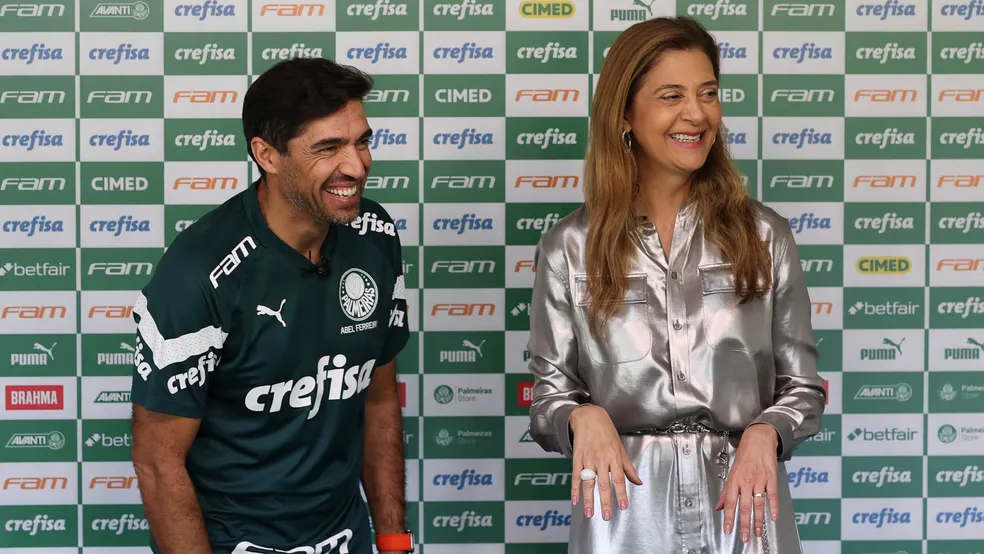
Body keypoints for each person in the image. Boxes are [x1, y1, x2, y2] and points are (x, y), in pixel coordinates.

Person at [526, 16, 826, 554]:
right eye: (671, 95)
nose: (696, 114)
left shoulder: (765, 235)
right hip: (622, 517)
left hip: (745, 509)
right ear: (625, 115)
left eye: (707, 93)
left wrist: (769, 432)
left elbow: (802, 388)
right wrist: (579, 415)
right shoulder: (568, 246)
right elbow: (548, 397)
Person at [129, 58, 415, 554]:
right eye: (329, 148)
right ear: (267, 154)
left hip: (345, 537)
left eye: (362, 140)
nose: (357, 165)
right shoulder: (196, 272)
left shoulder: (376, 233)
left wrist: (392, 540)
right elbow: (158, 462)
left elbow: (379, 398)